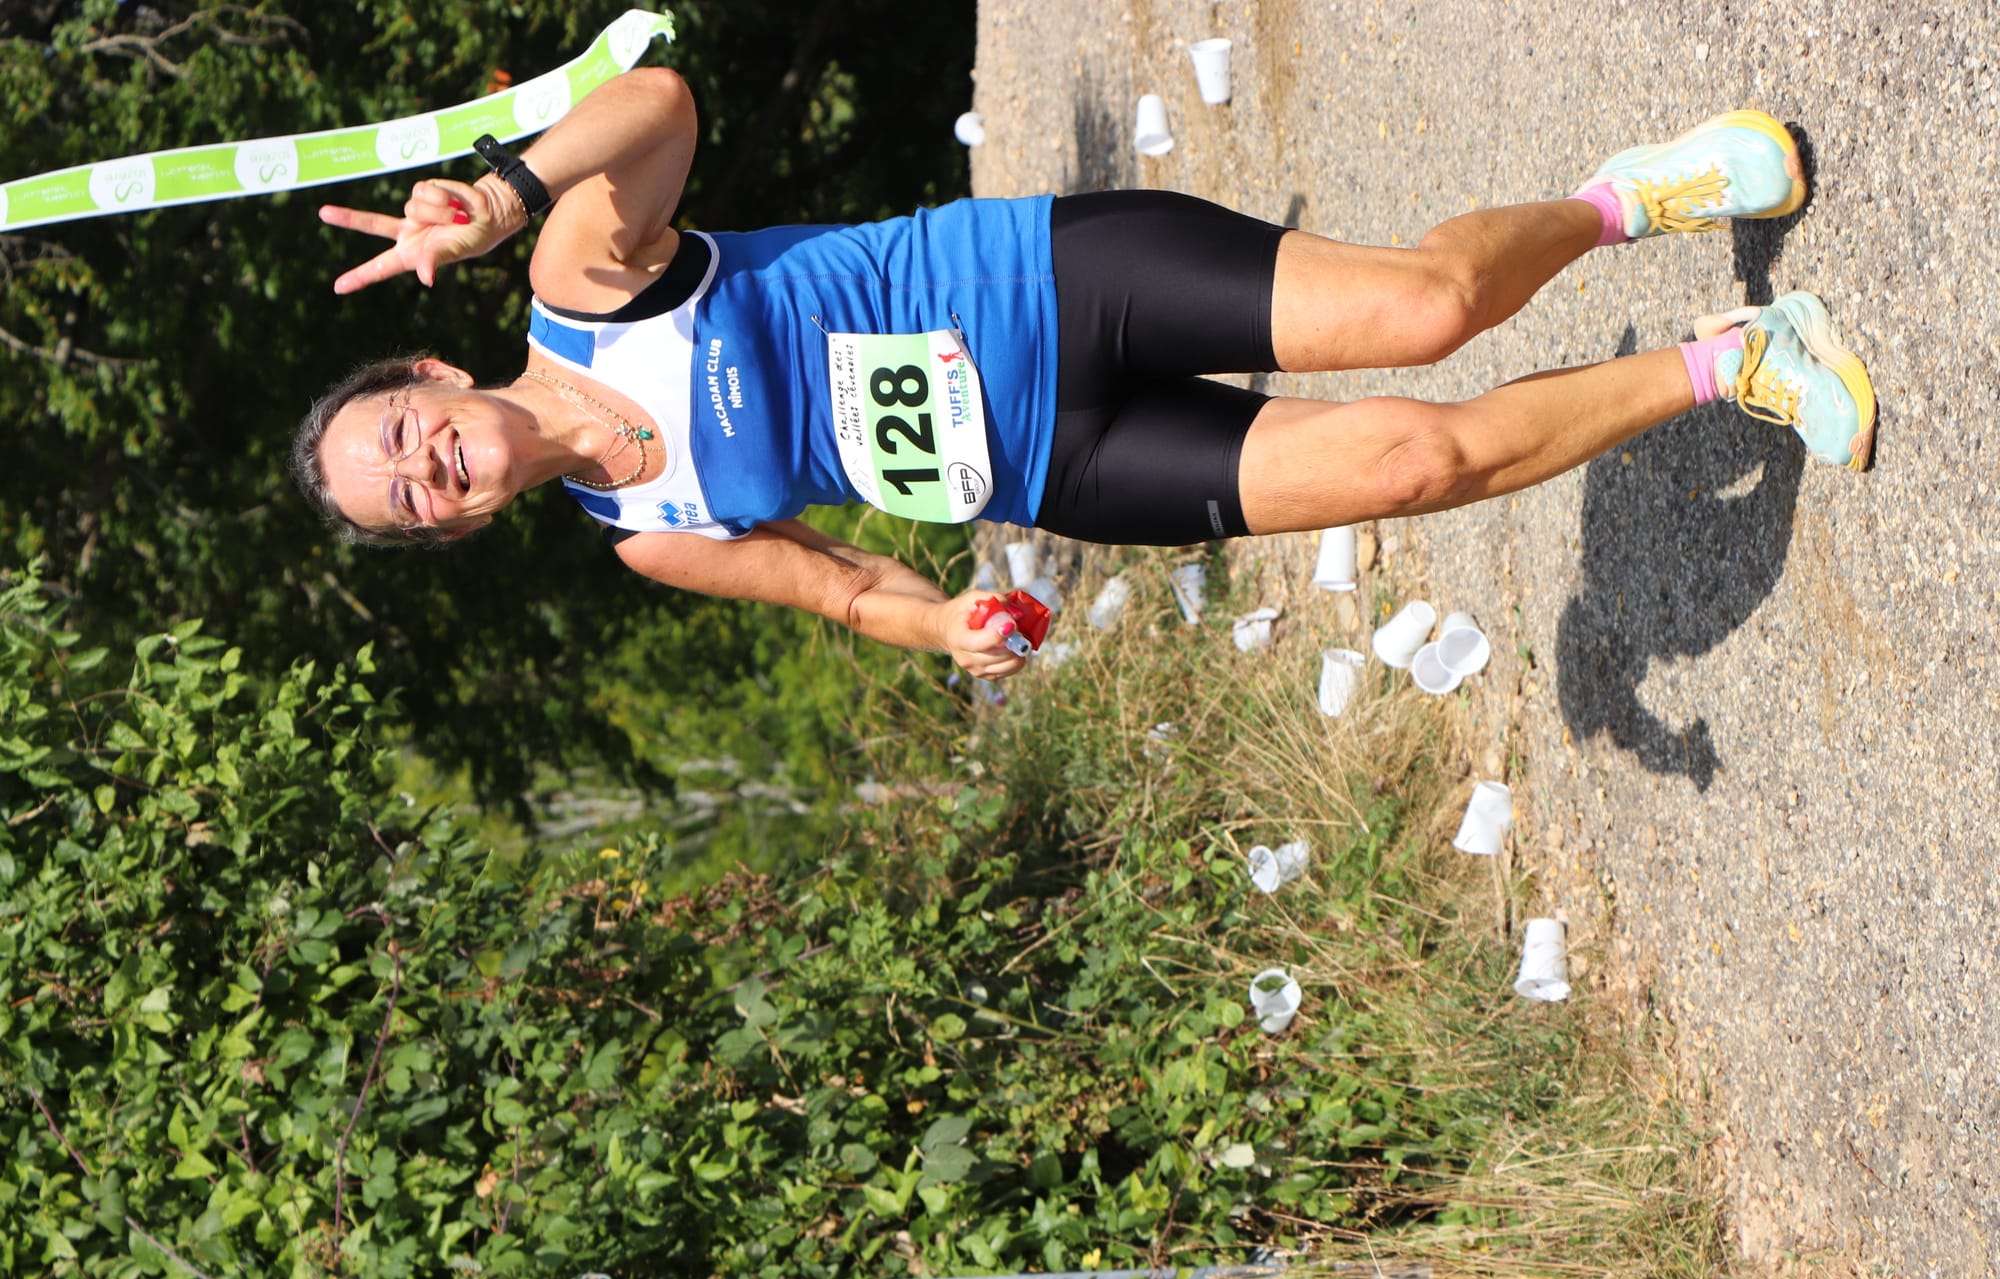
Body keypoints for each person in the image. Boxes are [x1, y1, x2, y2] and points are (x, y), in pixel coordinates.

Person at [295, 69, 1875, 684]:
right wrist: (949, 626)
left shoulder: (577, 284)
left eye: (405, 433)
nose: (431, 463)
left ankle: (1630, 198)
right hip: (1055, 467)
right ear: (454, 528)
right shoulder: (646, 537)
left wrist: (499, 192)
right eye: (415, 496)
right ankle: (1731, 360)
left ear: (430, 369)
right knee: (1412, 467)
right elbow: (846, 588)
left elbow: (658, 104)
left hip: (1041, 281)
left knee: (1430, 305)